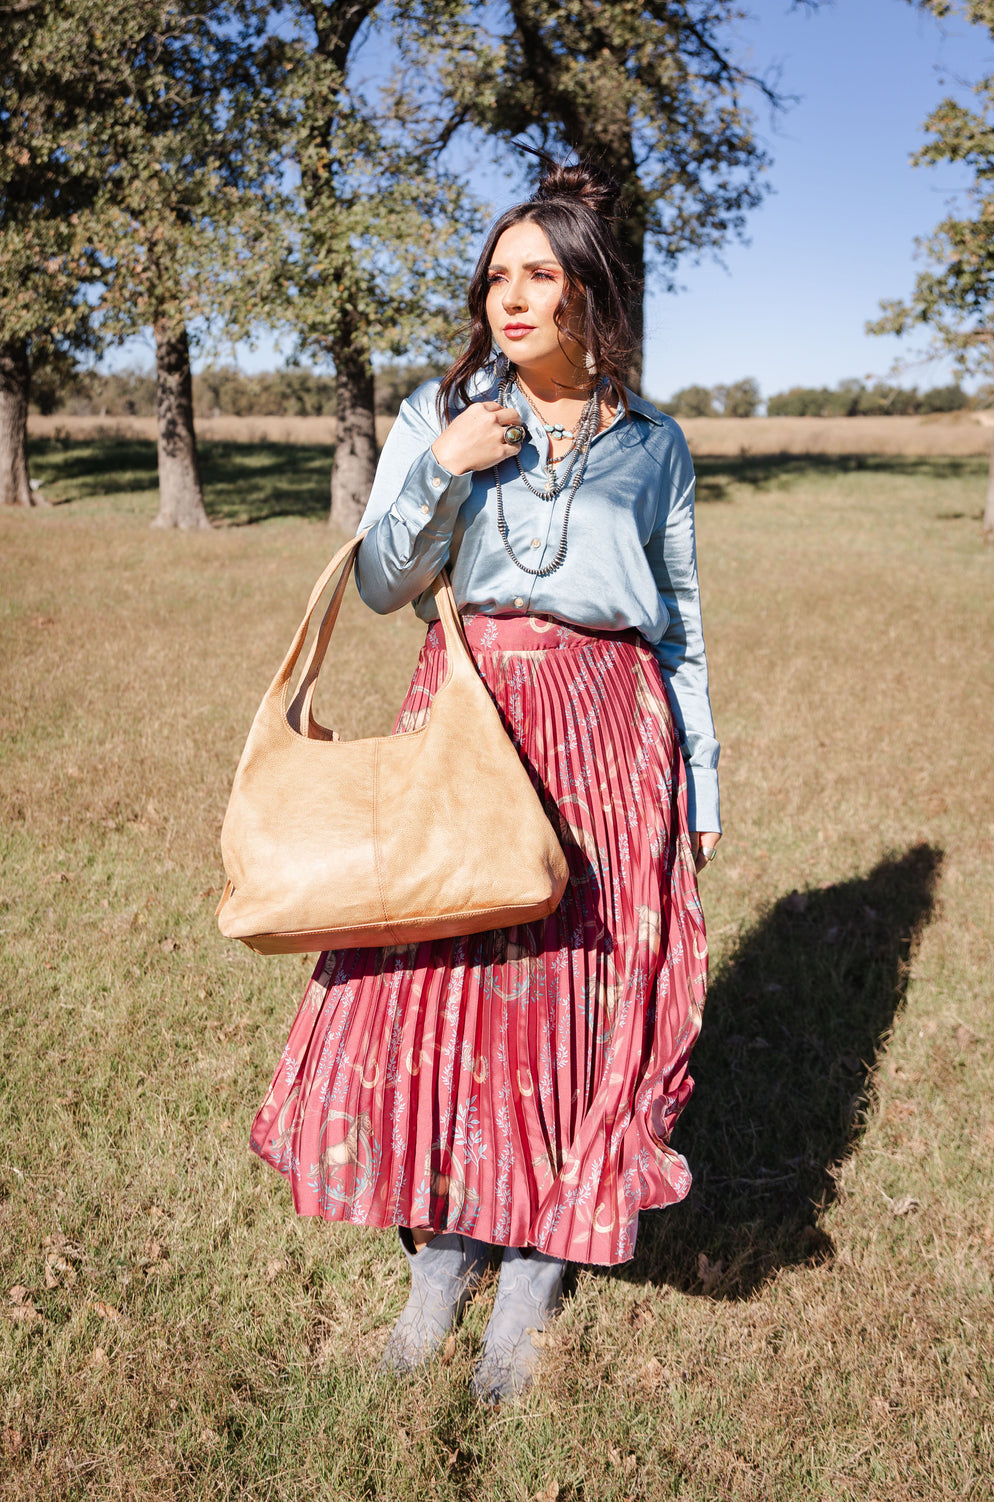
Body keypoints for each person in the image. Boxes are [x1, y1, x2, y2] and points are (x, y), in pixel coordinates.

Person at [249, 159, 721, 1403]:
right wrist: (442, 462)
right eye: (498, 276)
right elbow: (382, 584)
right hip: (473, 718)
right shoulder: (444, 407)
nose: (511, 298)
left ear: (589, 295)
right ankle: (442, 1253)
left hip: (614, 733)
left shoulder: (655, 443)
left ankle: (533, 1269)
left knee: (575, 995)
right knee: (448, 983)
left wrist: (703, 784)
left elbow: (679, 627)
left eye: (540, 276)